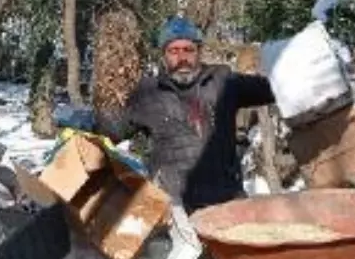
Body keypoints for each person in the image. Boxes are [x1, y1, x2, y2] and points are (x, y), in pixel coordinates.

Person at [81, 16, 275, 214]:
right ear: (164, 55)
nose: (182, 58)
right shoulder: (148, 93)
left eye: (188, 50)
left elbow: (276, 88)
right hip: (174, 208)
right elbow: (114, 128)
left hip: (226, 201)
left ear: (199, 52)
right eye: (173, 51)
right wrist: (87, 122)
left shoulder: (224, 82)